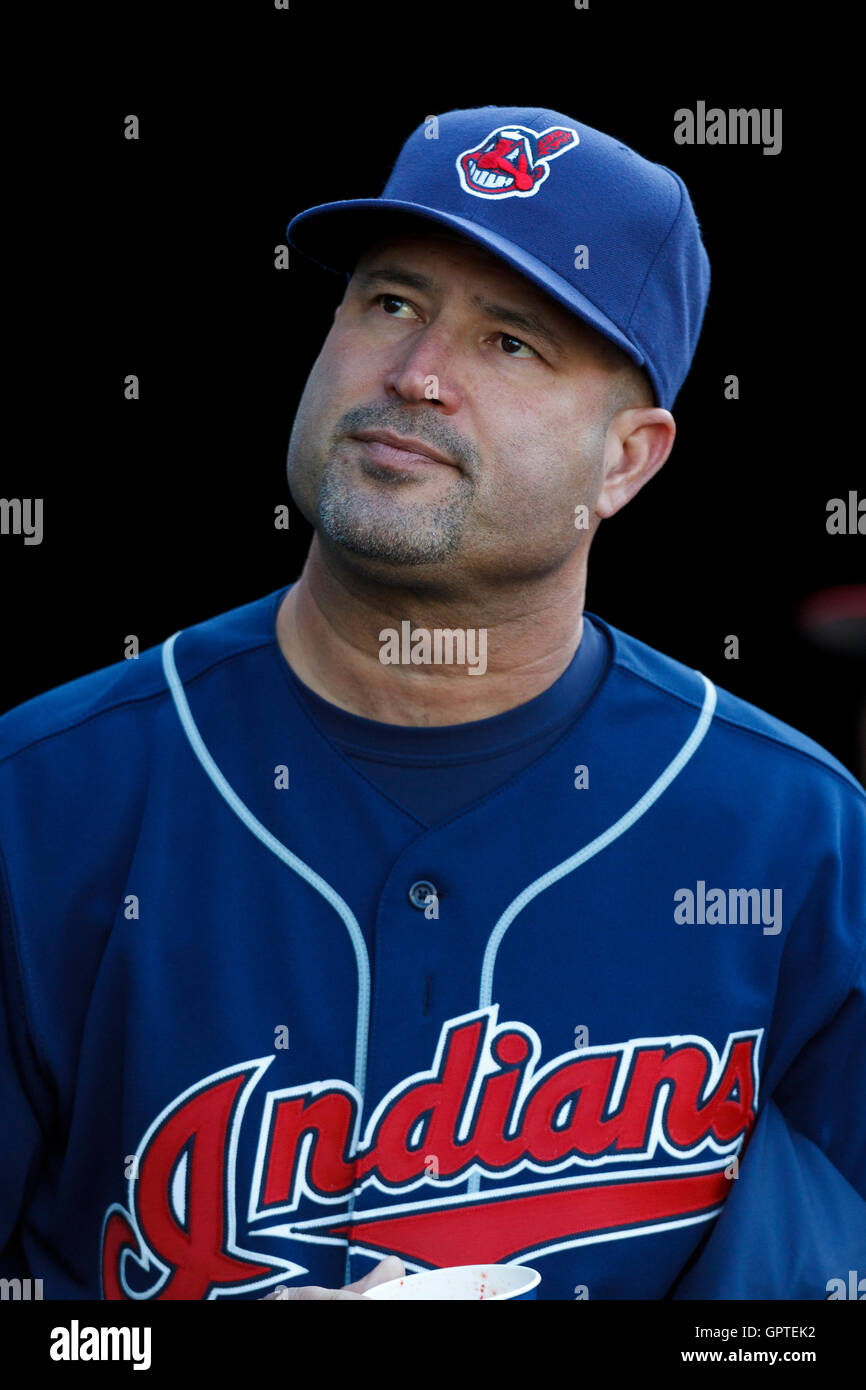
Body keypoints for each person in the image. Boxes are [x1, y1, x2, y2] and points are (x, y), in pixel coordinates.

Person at [1, 106, 863, 1302]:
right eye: (391, 303)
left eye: (511, 342)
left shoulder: (801, 838)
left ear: (627, 458)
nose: (415, 375)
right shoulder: (40, 796)